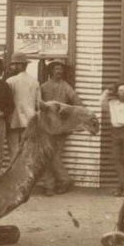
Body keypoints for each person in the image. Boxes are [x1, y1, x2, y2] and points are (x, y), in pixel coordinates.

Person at [38, 59, 83, 194]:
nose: (59, 71)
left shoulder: (66, 87)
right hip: (46, 126)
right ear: (51, 71)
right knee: (47, 155)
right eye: (56, 69)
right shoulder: (43, 87)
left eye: (61, 69)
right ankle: (50, 185)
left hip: (60, 128)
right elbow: (38, 105)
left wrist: (66, 113)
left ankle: (63, 180)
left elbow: (78, 104)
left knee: (53, 155)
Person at [5, 52, 41, 166]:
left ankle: (14, 178)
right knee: (27, 152)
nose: (11, 67)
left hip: (13, 121)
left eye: (14, 65)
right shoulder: (34, 81)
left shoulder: (10, 81)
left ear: (20, 65)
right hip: (29, 121)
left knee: (14, 151)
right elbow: (39, 104)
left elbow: (7, 102)